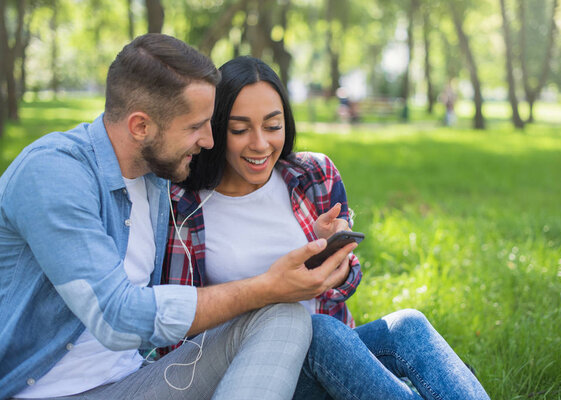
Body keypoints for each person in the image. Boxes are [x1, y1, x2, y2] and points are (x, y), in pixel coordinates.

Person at [0, 35, 357, 400]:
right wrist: (267, 286)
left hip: (134, 381)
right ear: (141, 127)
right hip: (48, 392)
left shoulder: (157, 179)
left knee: (285, 318)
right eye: (195, 127)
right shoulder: (53, 174)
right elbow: (116, 319)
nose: (208, 141)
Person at [163, 55, 490, 399]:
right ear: (215, 129)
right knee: (314, 331)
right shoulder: (185, 206)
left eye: (273, 126)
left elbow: (344, 288)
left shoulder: (314, 175)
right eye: (240, 130)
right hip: (251, 374)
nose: (260, 144)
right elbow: (175, 325)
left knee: (407, 325)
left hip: (330, 355)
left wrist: (333, 259)